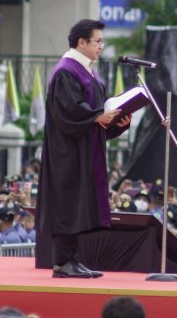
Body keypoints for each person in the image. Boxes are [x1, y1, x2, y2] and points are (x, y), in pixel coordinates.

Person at [36, 19, 131, 279]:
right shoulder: (67, 71)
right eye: (98, 41)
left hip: (84, 152)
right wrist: (97, 116)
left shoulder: (88, 72)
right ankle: (62, 262)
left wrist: (117, 123)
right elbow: (69, 113)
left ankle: (74, 260)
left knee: (77, 206)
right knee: (67, 205)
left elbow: (94, 117)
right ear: (82, 42)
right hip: (66, 155)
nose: (102, 46)